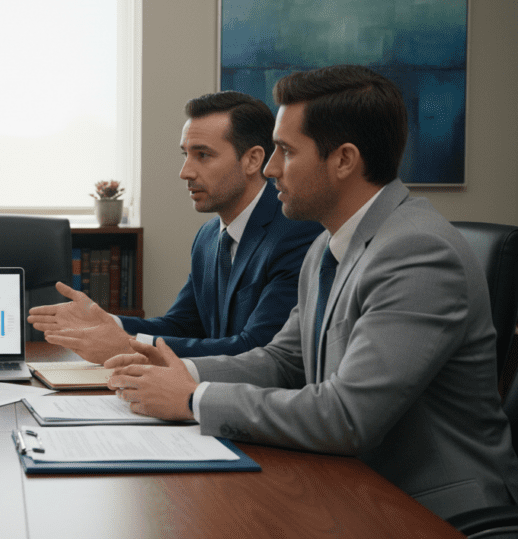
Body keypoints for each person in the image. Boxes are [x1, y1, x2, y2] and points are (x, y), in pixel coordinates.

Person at [106, 65, 518, 521]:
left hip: (432, 510)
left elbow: (347, 416)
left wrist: (191, 398)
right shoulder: (327, 242)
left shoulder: (417, 252)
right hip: (355, 488)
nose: (270, 167)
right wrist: (179, 369)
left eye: (284, 150)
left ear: (343, 160)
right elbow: (283, 361)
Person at [28, 91, 322, 364]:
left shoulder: (296, 232)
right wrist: (106, 322)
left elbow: (257, 348)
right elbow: (180, 325)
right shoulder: (208, 237)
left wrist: (127, 344)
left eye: (203, 155)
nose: (186, 172)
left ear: (253, 159)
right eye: (186, 154)